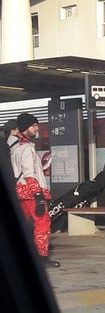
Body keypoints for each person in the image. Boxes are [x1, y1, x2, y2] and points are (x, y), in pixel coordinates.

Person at [7, 113, 60, 268]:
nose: (37, 128)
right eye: (33, 126)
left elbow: (23, 171)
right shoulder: (27, 149)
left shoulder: (16, 148)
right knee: (43, 223)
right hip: (31, 194)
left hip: (21, 192)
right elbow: (30, 175)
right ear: (24, 128)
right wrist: (39, 196)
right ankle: (41, 258)